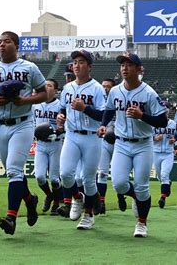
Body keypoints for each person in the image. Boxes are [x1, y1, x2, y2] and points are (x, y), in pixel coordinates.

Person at [0, 31, 48, 235]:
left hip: (22, 123)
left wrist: (25, 101)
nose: (1, 45)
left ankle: (11, 218)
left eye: (6, 42)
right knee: (12, 172)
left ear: (16, 46)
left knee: (14, 171)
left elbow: (45, 93)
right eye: (0, 42)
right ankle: (30, 200)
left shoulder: (29, 67)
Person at [97, 52, 167, 237]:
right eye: (122, 65)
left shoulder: (149, 93)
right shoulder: (115, 91)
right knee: (119, 184)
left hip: (143, 144)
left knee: (142, 185)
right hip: (121, 143)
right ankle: (137, 198)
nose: (124, 68)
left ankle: (141, 223)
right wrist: (103, 125)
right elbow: (109, 110)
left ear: (138, 69)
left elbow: (163, 121)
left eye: (129, 64)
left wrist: (142, 115)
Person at [56, 50, 106, 230]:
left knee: (88, 179)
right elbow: (62, 109)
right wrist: (60, 117)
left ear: (90, 66)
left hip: (92, 137)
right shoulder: (68, 88)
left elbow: (103, 115)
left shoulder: (97, 88)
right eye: (75, 62)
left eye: (81, 62)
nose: (77, 65)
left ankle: (88, 215)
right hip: (71, 135)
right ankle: (78, 197)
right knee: (66, 175)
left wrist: (85, 108)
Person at [32, 79, 63, 216]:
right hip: (40, 145)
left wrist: (58, 131)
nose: (46, 87)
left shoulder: (60, 105)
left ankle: (56, 204)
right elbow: (32, 122)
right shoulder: (36, 104)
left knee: (55, 178)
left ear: (56, 90)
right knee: (39, 177)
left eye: (50, 86)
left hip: (56, 143)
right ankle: (50, 195)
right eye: (44, 85)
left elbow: (65, 126)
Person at [96, 78, 116, 214]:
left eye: (108, 86)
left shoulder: (118, 100)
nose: (105, 89)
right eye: (103, 86)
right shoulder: (98, 102)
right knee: (102, 173)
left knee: (118, 176)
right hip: (104, 140)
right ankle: (101, 202)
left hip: (120, 142)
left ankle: (122, 196)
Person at [152, 111, 177, 209]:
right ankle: (167, 184)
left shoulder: (173, 124)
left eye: (165, 111)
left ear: (168, 112)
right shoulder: (153, 123)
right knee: (160, 177)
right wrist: (154, 138)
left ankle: (162, 198)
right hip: (156, 153)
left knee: (164, 175)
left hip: (168, 153)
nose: (164, 113)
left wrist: (174, 139)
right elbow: (146, 136)